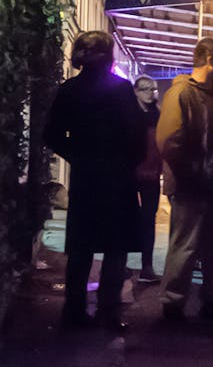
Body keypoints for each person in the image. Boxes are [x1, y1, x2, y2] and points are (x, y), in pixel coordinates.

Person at [45, 32, 145, 331]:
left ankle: (74, 312)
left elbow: (50, 135)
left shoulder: (69, 90)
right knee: (115, 248)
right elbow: (137, 137)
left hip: (86, 179)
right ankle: (108, 312)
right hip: (118, 180)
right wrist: (127, 163)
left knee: (81, 249)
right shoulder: (121, 89)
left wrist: (77, 156)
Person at [157, 37, 213, 322]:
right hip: (191, 185)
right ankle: (173, 304)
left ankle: (207, 301)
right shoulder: (182, 94)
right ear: (209, 60)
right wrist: (193, 173)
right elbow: (169, 141)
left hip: (210, 184)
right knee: (186, 245)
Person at [133, 75, 164, 283]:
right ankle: (122, 264)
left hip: (151, 174)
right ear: (135, 90)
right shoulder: (128, 114)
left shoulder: (159, 114)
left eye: (153, 89)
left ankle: (147, 265)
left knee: (148, 220)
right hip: (130, 172)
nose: (150, 93)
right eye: (145, 89)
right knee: (126, 216)